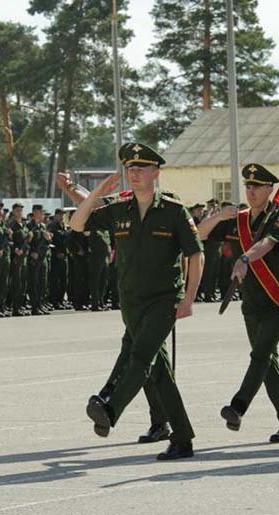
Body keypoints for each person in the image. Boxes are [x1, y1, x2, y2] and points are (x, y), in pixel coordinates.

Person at [70, 142, 204, 460]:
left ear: (156, 173)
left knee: (141, 357)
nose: (135, 173)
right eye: (130, 168)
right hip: (131, 302)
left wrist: (188, 299)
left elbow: (196, 255)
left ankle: (111, 410)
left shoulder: (173, 211)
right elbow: (76, 224)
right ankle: (182, 438)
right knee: (159, 373)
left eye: (141, 168)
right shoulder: (118, 209)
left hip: (164, 300)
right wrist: (97, 191)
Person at [198, 164, 279, 443]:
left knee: (259, 356)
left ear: (270, 189)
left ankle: (238, 406)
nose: (251, 191)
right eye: (248, 186)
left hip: (276, 302)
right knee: (267, 365)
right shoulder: (238, 218)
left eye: (257, 186)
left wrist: (245, 258)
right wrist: (217, 216)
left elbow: (269, 243)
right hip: (251, 302)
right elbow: (199, 234)